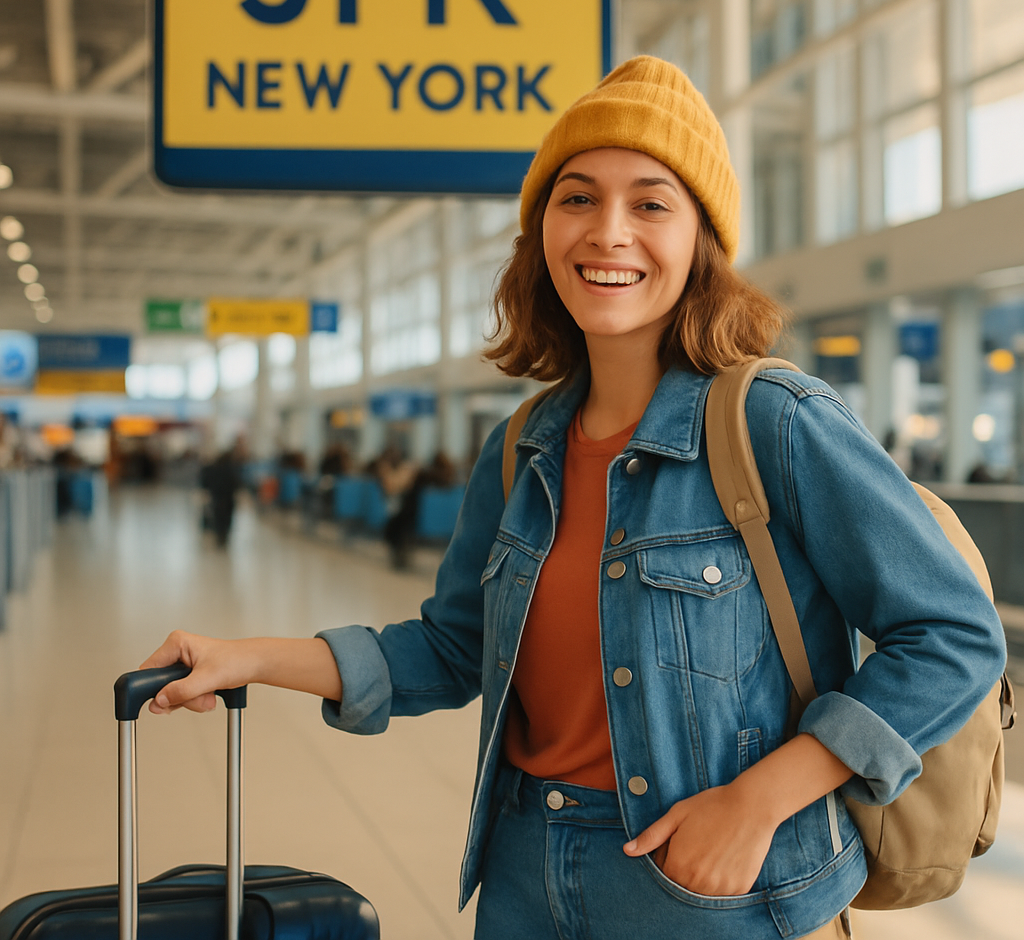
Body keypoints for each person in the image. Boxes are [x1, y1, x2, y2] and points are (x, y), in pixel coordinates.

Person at [140, 58, 1006, 940]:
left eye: (652, 203)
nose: (609, 233)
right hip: (526, 875)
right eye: (578, 197)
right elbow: (450, 649)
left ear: (700, 240)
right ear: (541, 231)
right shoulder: (523, 447)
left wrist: (755, 803)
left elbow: (954, 634)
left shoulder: (775, 422)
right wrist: (251, 657)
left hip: (716, 890)